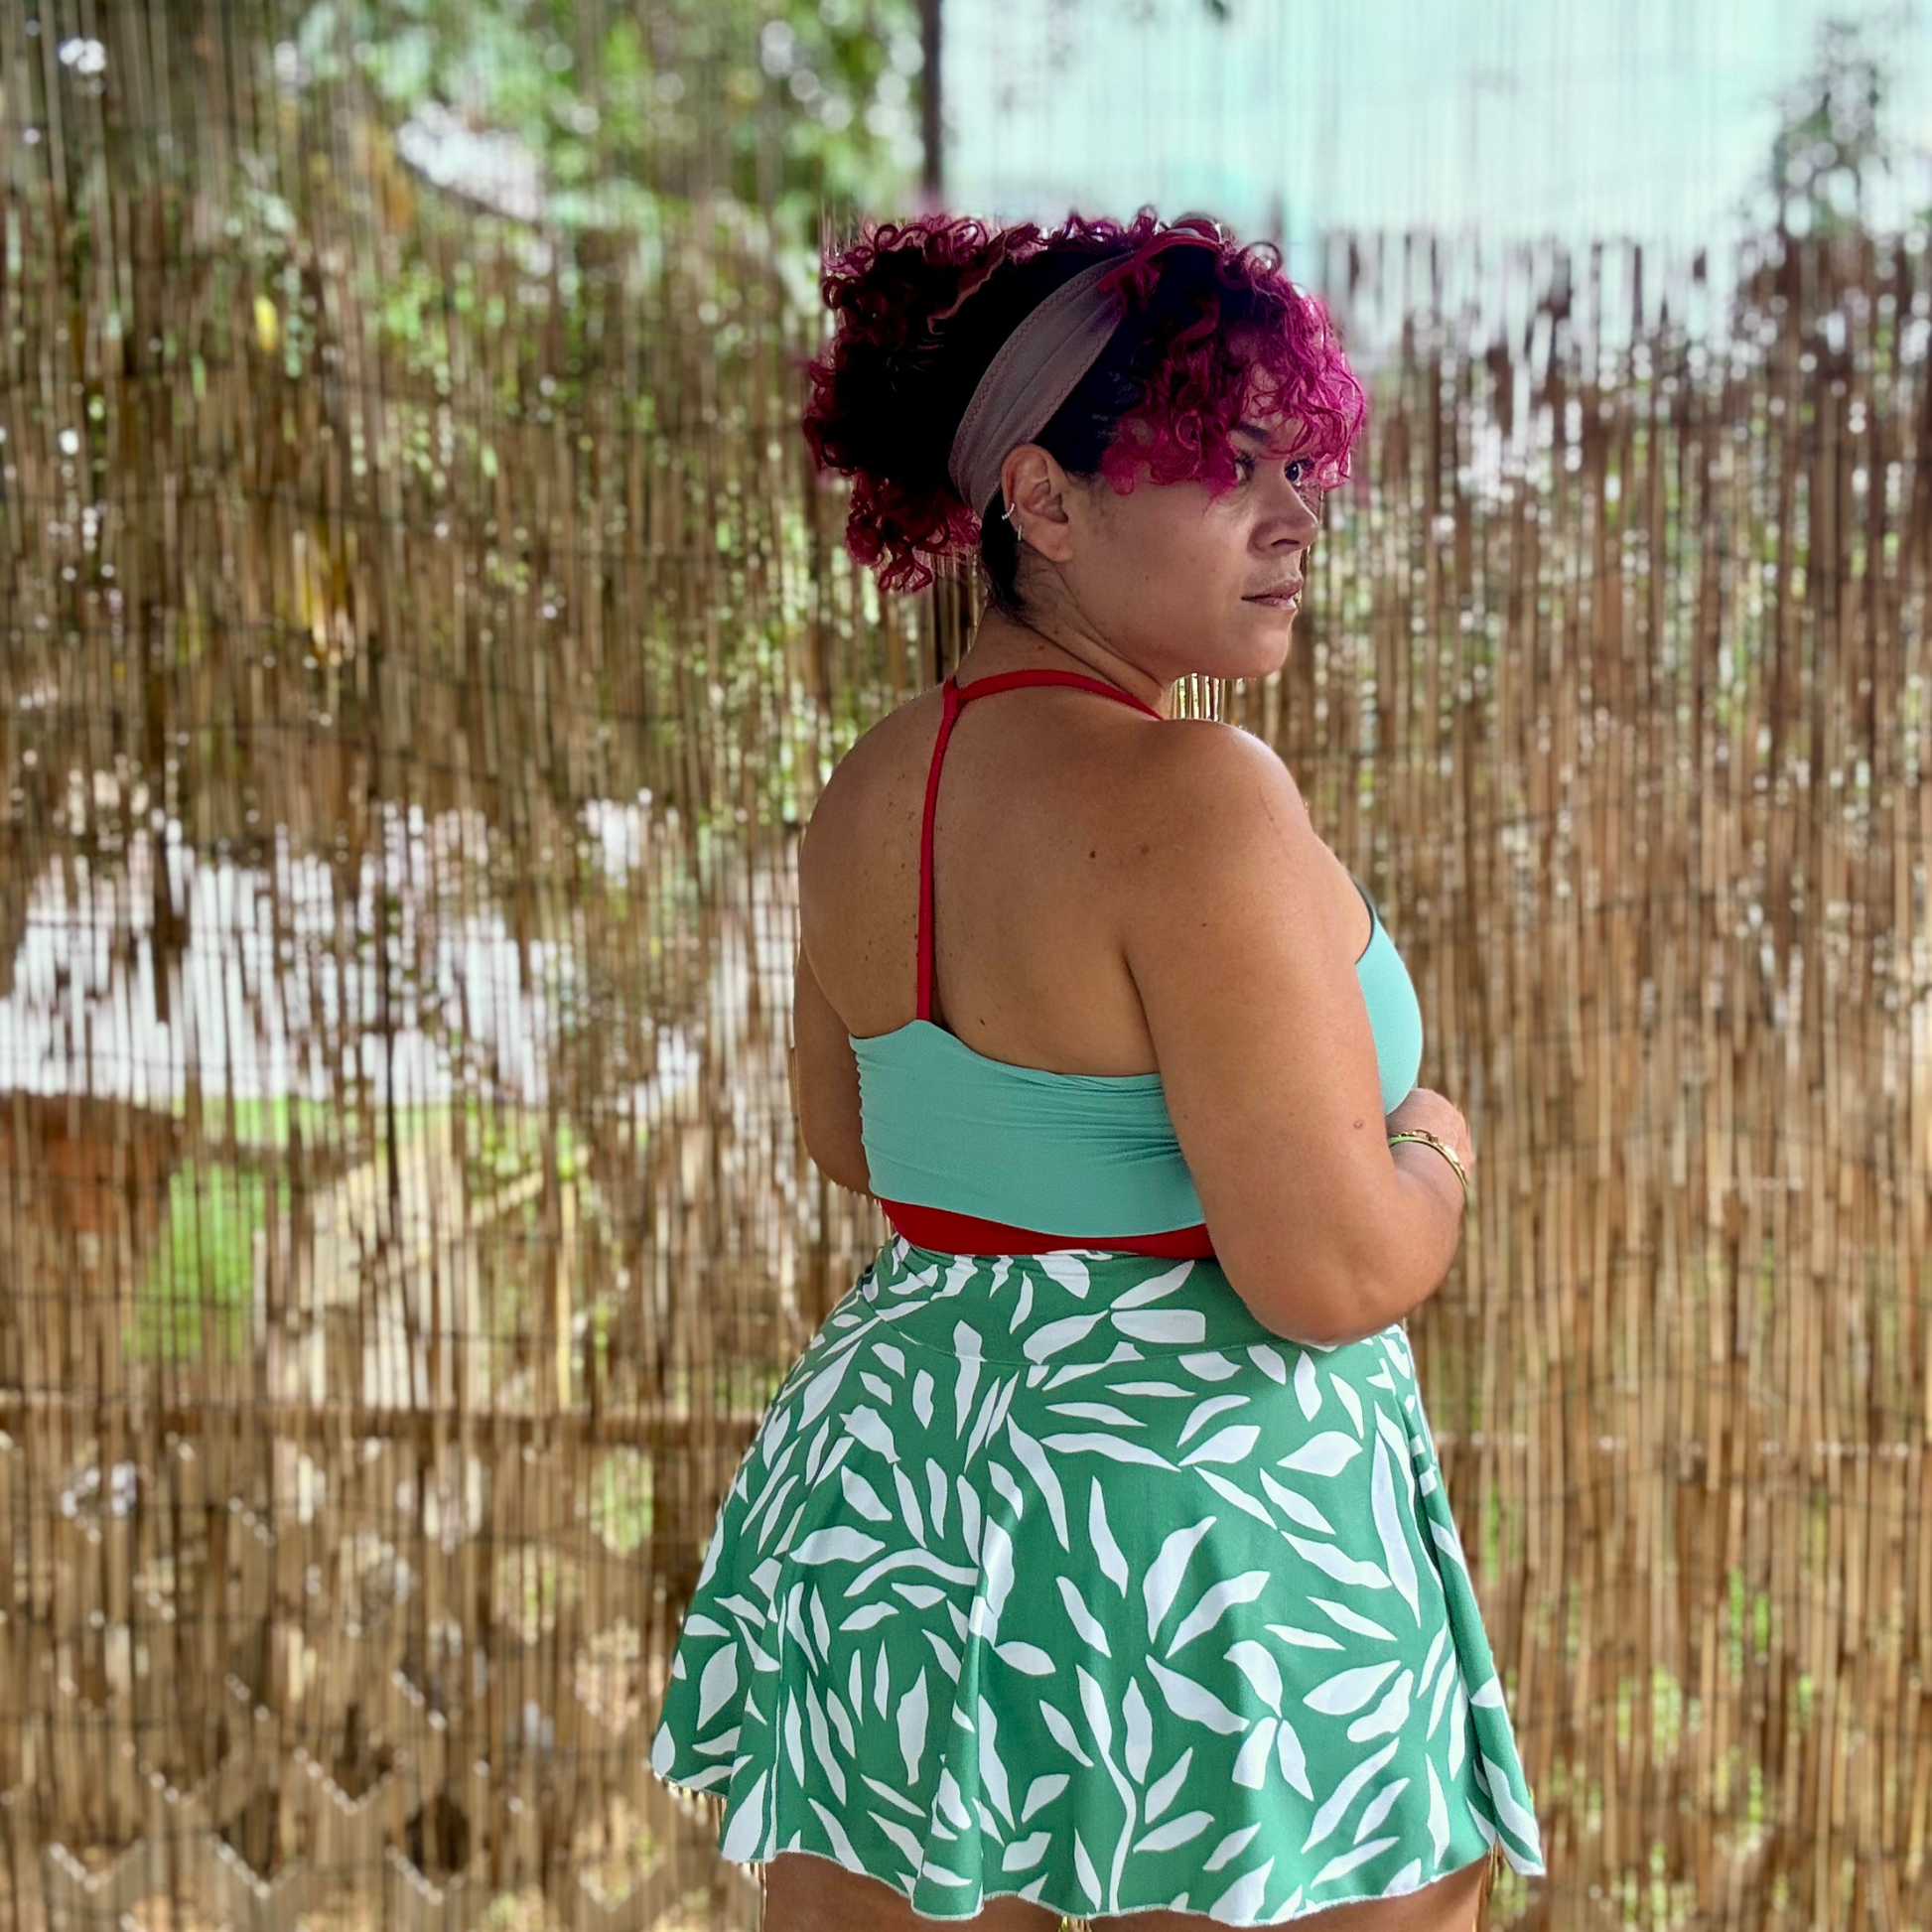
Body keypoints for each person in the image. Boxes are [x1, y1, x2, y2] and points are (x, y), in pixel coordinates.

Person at [649, 207, 1545, 1930]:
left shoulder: (873, 783)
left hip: (902, 1491)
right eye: (1225, 464)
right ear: (1042, 502)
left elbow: (855, 1135)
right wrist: (1432, 1145)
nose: (1295, 517)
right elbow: (1328, 1269)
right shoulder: (1194, 793)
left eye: (1298, 463)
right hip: (1192, 1539)